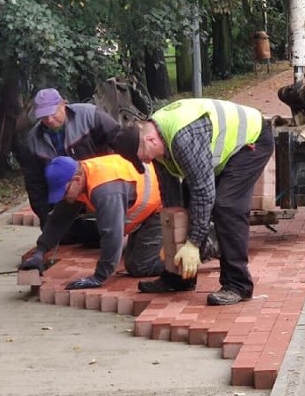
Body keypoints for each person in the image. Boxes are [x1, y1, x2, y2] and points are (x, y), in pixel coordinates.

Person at [115, 98, 274, 306]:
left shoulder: (183, 139)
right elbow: (172, 199)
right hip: (218, 147)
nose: (145, 162)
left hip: (251, 141)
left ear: (151, 141)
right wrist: (173, 243)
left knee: (227, 205)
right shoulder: (157, 139)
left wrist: (192, 244)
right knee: (187, 199)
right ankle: (180, 277)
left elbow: (204, 191)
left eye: (143, 157)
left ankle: (238, 285)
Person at [19, 154, 165, 289]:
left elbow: (112, 234)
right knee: (132, 262)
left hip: (161, 205)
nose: (63, 197)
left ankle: (180, 267)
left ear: (77, 180)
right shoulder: (80, 177)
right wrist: (39, 253)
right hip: (146, 207)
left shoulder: (105, 190)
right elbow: (58, 220)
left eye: (63, 192)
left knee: (140, 266)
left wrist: (98, 277)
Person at [17, 88, 122, 243]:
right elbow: (35, 185)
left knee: (108, 233)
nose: (49, 120)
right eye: (44, 116)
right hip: (63, 196)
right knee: (66, 238)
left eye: (53, 113)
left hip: (99, 187)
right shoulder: (33, 141)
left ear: (63, 105)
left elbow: (121, 141)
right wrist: (48, 220)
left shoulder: (90, 116)